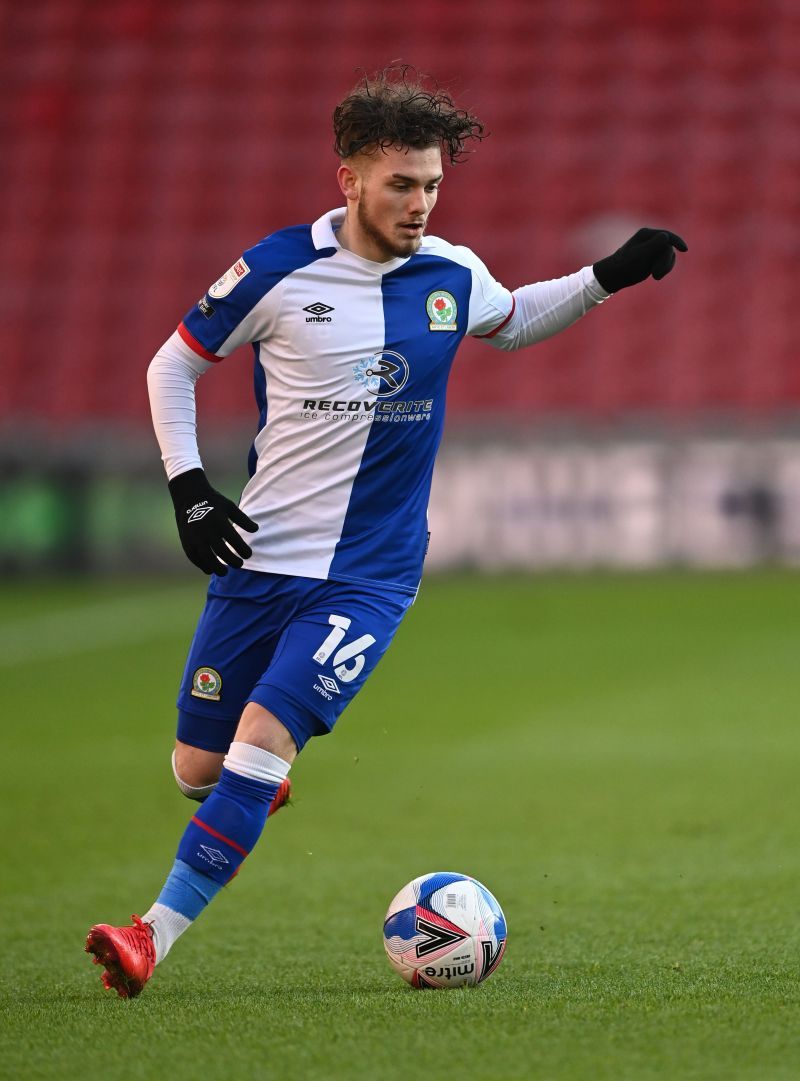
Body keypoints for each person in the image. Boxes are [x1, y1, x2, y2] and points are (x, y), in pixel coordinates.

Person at [85, 66, 687, 998]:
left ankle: (150, 935)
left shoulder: (450, 272)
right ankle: (251, 786)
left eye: (433, 184)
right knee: (196, 767)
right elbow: (174, 363)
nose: (418, 203)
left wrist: (607, 276)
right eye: (401, 183)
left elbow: (512, 319)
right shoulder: (281, 270)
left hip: (371, 575)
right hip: (261, 558)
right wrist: (191, 489)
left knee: (256, 738)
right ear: (350, 179)